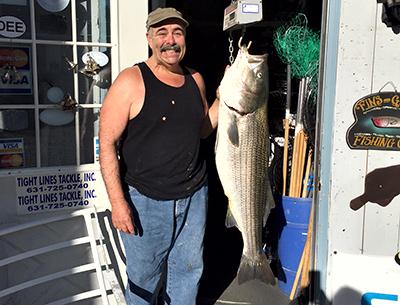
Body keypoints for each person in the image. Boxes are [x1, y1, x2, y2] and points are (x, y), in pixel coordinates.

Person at [99, 7, 219, 305]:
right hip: (145, 201)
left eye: (177, 33)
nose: (170, 40)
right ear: (149, 38)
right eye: (162, 33)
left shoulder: (196, 79)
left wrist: (226, 96)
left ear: (185, 38)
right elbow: (107, 144)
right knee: (144, 281)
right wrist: (118, 204)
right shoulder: (131, 81)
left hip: (194, 196)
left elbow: (202, 130)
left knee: (188, 272)